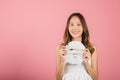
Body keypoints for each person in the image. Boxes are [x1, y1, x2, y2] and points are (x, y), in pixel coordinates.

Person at [56, 13, 98, 80]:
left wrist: (86, 62)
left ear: (83, 27)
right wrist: (63, 60)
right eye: (71, 24)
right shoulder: (61, 48)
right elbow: (58, 78)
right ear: (68, 27)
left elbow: (95, 78)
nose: (75, 28)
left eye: (78, 24)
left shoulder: (91, 48)